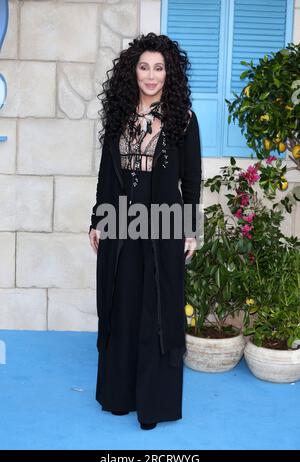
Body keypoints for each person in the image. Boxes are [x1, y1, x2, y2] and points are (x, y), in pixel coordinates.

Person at [89, 32, 202, 430]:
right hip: (121, 224)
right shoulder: (119, 115)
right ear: (131, 71)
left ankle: (153, 403)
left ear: (169, 73)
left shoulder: (183, 119)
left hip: (164, 226)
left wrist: (190, 230)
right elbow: (108, 175)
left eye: (158, 68)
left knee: (156, 312)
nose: (150, 76)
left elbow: (191, 180)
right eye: (143, 67)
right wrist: (97, 220)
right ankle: (119, 396)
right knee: (122, 306)